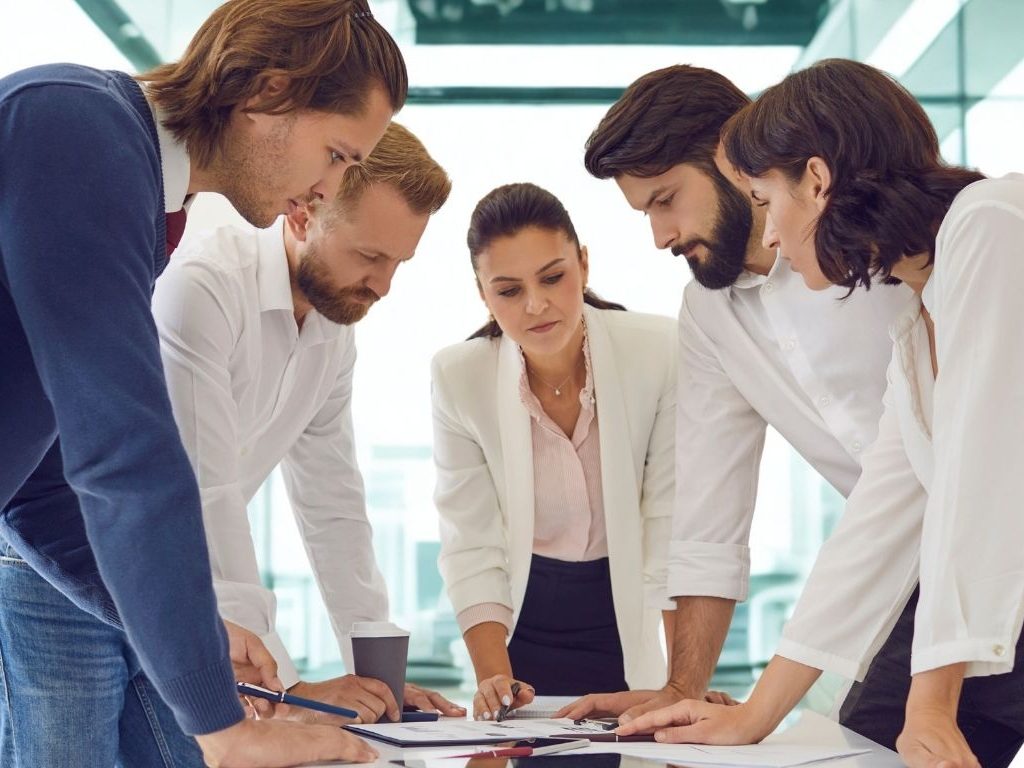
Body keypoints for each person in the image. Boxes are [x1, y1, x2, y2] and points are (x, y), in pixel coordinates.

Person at [0, 1, 404, 765]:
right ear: (268, 97)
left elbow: (39, 487)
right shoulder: (77, 130)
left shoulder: (130, 190)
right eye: (340, 154)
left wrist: (200, 636)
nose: (328, 187)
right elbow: (124, 453)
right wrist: (223, 730)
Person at [617, 58, 1024, 768]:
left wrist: (932, 700)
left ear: (815, 179)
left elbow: (983, 480)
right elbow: (882, 514)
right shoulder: (912, 326)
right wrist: (753, 715)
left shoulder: (988, 228)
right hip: (962, 583)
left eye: (765, 200)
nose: (770, 236)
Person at [560, 64, 913, 723]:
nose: (660, 236)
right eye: (645, 213)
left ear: (730, 155)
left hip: (988, 536)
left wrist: (760, 713)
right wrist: (682, 689)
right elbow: (708, 515)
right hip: (918, 577)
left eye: (666, 200)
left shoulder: (878, 241)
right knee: (871, 746)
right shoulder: (710, 315)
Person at [153, 121, 464, 729]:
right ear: (301, 216)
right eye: (370, 256)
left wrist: (380, 678)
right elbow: (207, 493)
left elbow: (333, 505)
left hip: (168, 583)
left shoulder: (332, 331)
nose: (384, 286)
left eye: (399, 262)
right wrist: (285, 690)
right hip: (66, 566)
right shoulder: (204, 286)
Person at [431, 182, 676, 721]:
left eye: (552, 277)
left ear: (583, 265)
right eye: (509, 290)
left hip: (625, 618)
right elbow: (470, 543)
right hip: (519, 626)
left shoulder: (657, 351)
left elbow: (668, 525)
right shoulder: (459, 377)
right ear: (482, 294)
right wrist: (494, 678)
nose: (536, 305)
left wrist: (682, 681)